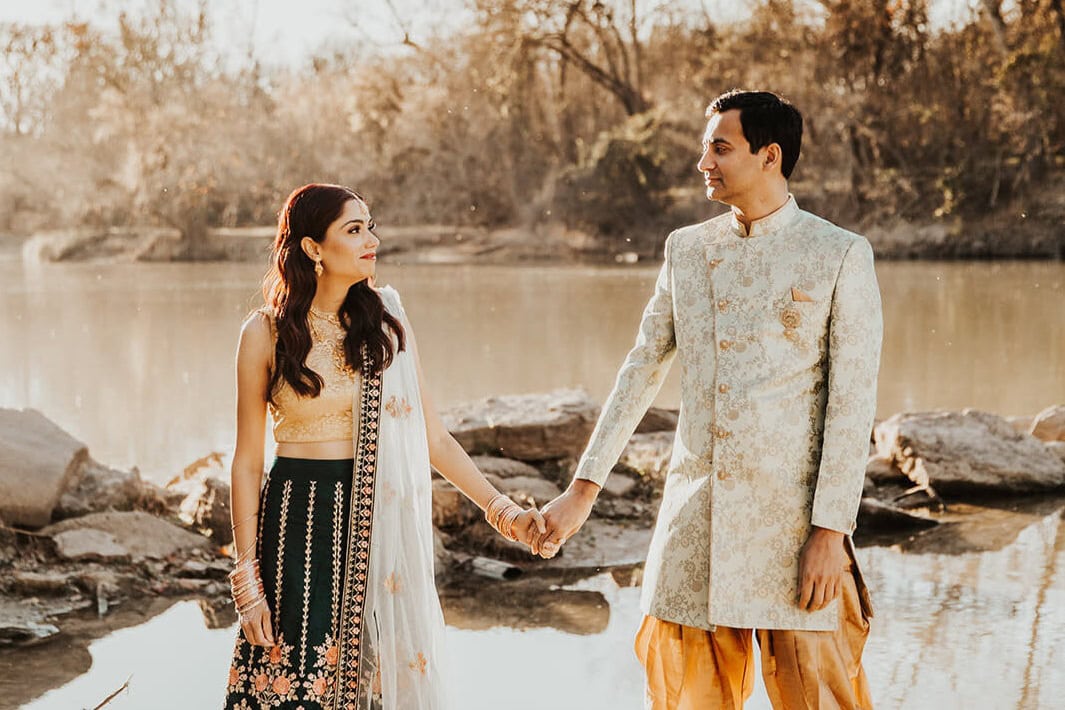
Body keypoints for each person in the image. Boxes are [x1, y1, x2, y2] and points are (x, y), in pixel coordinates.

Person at [538, 90, 881, 708]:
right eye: (705, 148)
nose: (705, 162)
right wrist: (581, 491)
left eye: (720, 148)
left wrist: (831, 532)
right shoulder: (687, 249)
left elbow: (851, 403)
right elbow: (640, 369)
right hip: (694, 519)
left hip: (795, 529)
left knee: (822, 696)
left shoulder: (839, 254)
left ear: (769, 155)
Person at [222, 183, 547, 709]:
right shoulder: (266, 332)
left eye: (370, 226)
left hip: (372, 520)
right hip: (296, 525)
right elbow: (246, 462)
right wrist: (247, 577)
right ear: (313, 249)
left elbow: (432, 438)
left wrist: (502, 510)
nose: (371, 239)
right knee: (291, 685)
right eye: (354, 230)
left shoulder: (384, 321)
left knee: (377, 680)